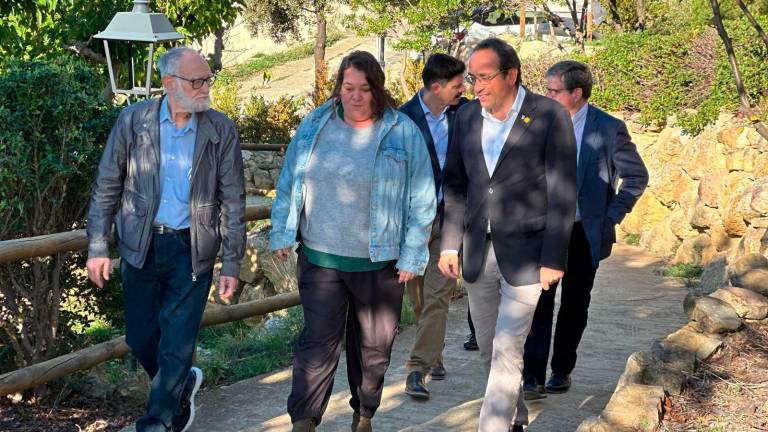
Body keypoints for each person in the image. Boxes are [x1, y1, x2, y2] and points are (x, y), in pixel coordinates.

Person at [269, 50, 435, 432]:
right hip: (321, 258)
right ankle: (304, 420)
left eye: (364, 88)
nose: (356, 96)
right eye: (348, 88)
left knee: (374, 349)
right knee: (317, 344)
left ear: (377, 90)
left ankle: (365, 413)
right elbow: (290, 179)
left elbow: (422, 199)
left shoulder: (402, 131)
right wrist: (282, 230)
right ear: (339, 87)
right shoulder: (315, 123)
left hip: (380, 263)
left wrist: (412, 254)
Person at [86, 47, 246, 432]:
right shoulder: (133, 121)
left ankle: (156, 422)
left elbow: (233, 199)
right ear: (168, 83)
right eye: (197, 80)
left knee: (176, 340)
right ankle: (182, 384)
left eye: (208, 78)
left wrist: (232, 261)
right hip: (141, 245)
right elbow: (107, 185)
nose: (206, 86)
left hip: (193, 248)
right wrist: (97, 246)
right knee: (141, 337)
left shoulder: (220, 129)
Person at [438, 38, 577, 432]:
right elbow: (456, 185)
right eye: (472, 78)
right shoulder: (465, 118)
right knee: (488, 349)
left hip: (528, 255)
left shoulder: (549, 115)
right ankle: (514, 419)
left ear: (511, 75)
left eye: (484, 77)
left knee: (507, 348)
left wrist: (554, 258)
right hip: (478, 253)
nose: (476, 86)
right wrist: (450, 243)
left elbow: (563, 192)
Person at [522, 60, 649, 399]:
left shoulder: (608, 128)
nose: (546, 95)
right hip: (542, 229)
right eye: (545, 89)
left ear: (576, 93)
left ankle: (561, 370)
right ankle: (531, 375)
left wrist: (610, 217)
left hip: (583, 232)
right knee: (537, 301)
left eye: (553, 90)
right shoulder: (534, 121)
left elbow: (637, 176)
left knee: (575, 303)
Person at [398, 53, 468, 400]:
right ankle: (434, 353)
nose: (463, 89)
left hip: (452, 220)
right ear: (436, 87)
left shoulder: (466, 113)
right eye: (457, 85)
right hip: (413, 224)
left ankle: (417, 369)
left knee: (440, 295)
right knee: (420, 299)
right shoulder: (401, 119)